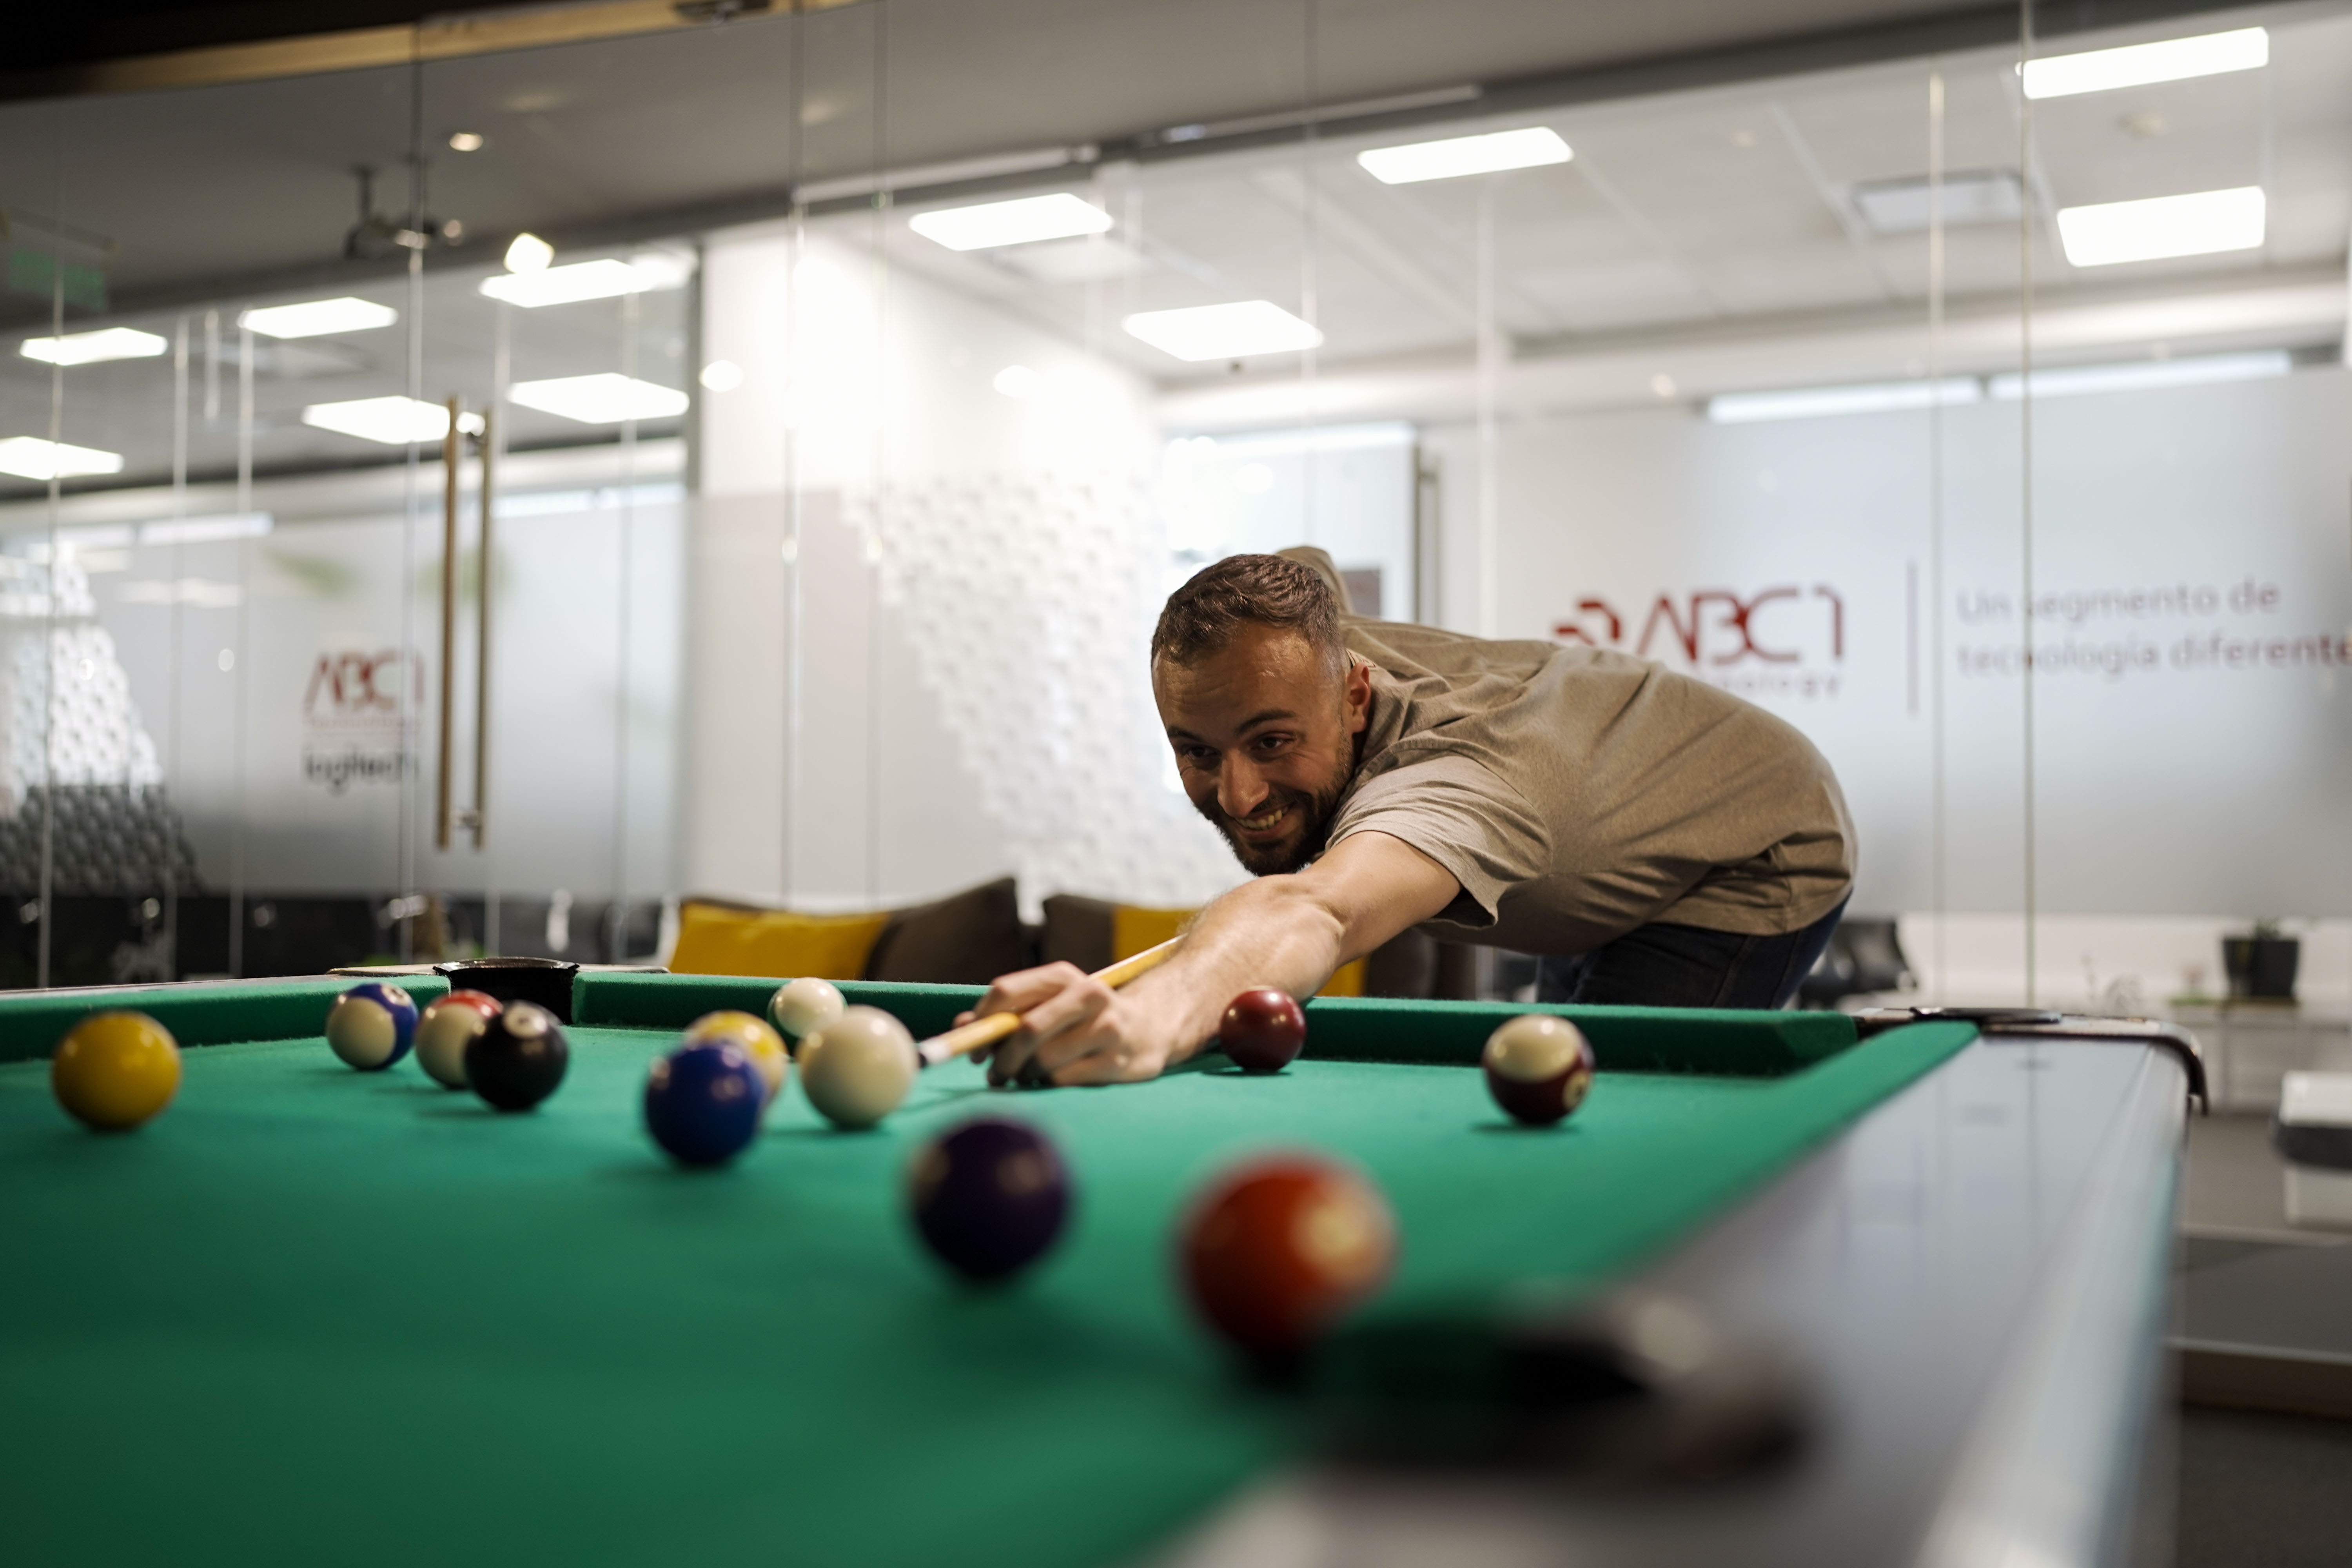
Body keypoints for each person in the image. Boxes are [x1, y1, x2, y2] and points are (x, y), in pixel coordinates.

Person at [971, 548, 1854, 1086]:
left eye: (1272, 741)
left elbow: (1318, 908)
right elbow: (1303, 566)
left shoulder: (1455, 781)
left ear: (1355, 694)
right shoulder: (1303, 631)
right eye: (1197, 750)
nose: (1238, 795)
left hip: (1756, 842)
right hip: (1616, 797)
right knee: (1550, 1067)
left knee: (1603, 1111)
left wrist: (1149, 1016)